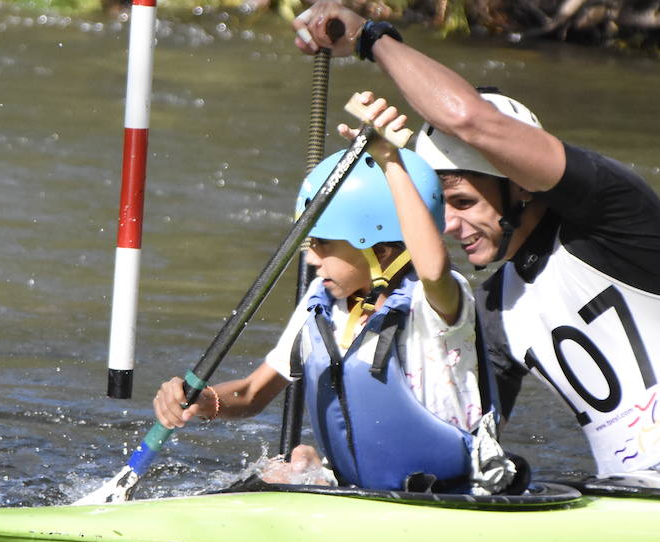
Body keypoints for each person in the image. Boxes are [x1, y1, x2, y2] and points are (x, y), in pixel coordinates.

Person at [292, 3, 660, 501]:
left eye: (462, 201)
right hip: (637, 497)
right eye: (439, 207)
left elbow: (469, 120)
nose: (449, 226)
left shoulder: (616, 218)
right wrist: (339, 466)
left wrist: (369, 37)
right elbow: (457, 432)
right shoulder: (495, 311)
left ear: (520, 185)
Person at [152, 94, 519, 494]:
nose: (312, 260)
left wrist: (389, 160)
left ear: (380, 250)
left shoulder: (436, 305)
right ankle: (312, 466)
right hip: (358, 491)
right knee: (279, 472)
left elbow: (432, 266)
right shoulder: (323, 305)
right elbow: (254, 394)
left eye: (324, 245)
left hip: (448, 494)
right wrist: (205, 401)